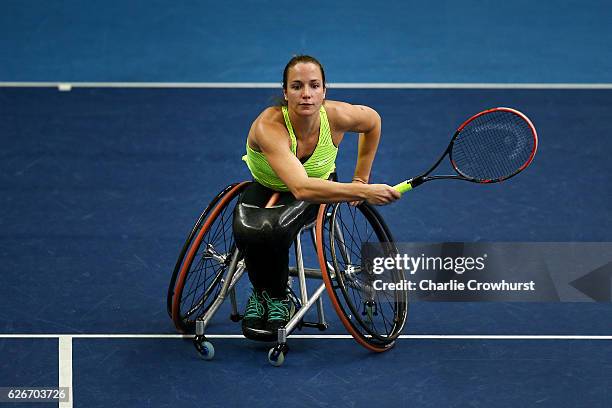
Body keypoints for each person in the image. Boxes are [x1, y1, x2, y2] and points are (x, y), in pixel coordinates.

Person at [233, 55, 400, 340]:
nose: (306, 94)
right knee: (247, 229)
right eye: (297, 86)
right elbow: (300, 188)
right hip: (274, 186)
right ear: (285, 93)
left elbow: (373, 122)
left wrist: (361, 177)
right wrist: (363, 190)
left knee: (272, 230)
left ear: (325, 91)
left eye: (314, 85)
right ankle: (264, 294)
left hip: (318, 186)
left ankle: (276, 298)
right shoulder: (269, 125)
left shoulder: (337, 116)